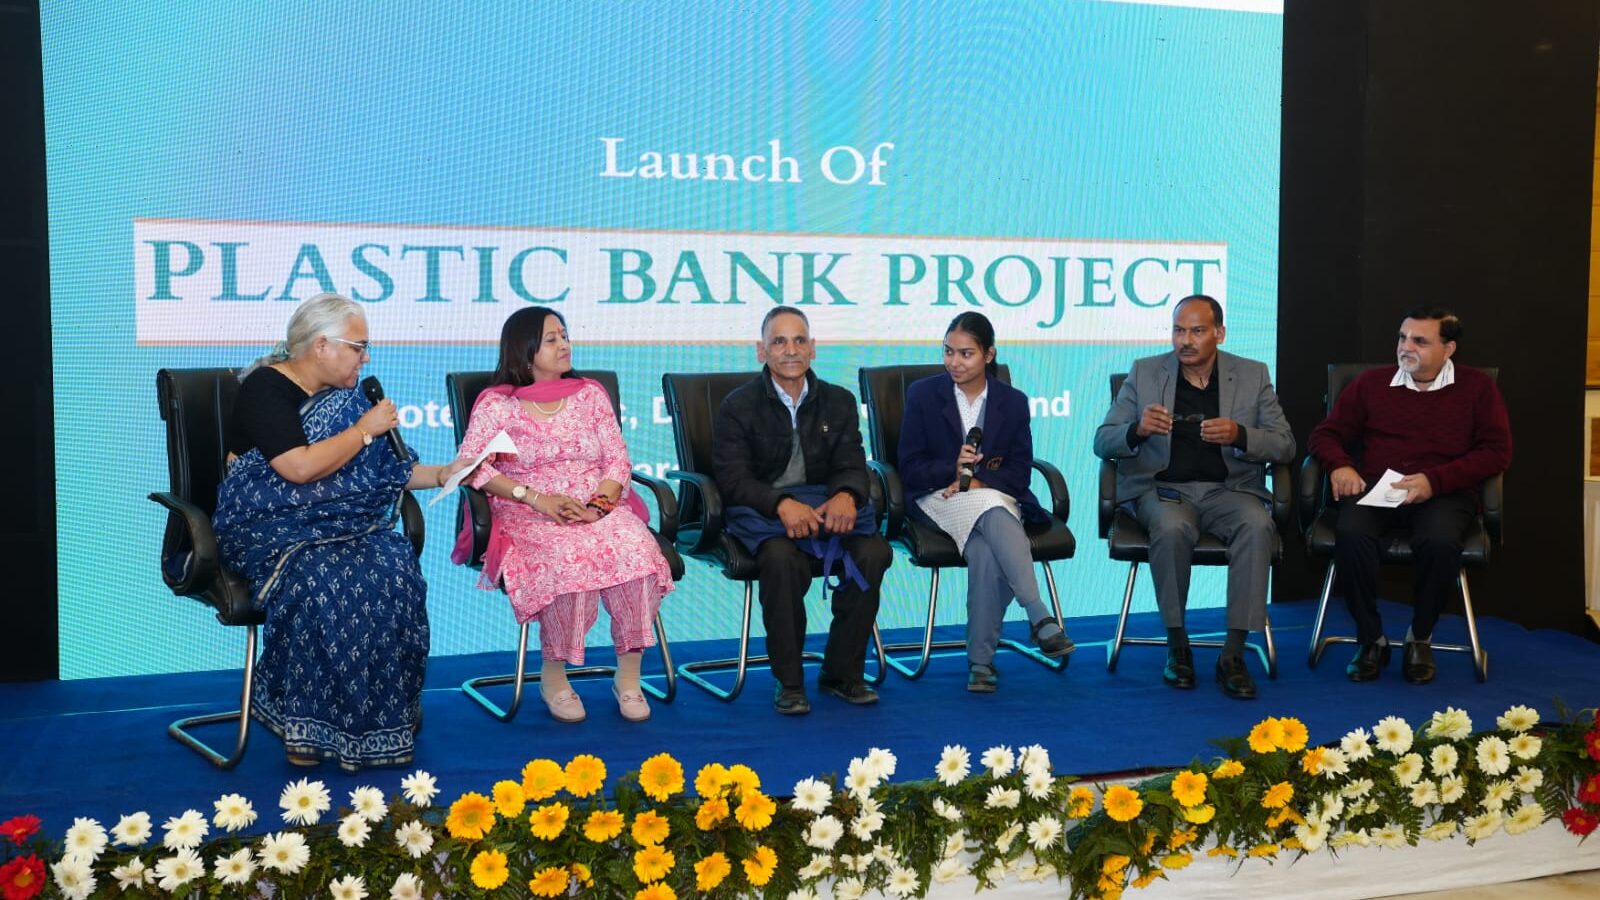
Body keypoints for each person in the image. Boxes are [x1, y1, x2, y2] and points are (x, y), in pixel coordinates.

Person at [213, 292, 463, 771]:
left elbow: (389, 472)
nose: (365, 358)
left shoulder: (349, 399)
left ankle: (382, 717)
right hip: (271, 529)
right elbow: (299, 469)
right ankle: (307, 728)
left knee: (394, 567)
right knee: (323, 580)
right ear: (321, 346)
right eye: (358, 346)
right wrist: (365, 430)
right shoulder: (266, 387)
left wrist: (444, 472)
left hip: (341, 528)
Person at [453, 307, 674, 723]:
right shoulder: (499, 405)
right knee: (567, 564)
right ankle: (553, 678)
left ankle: (629, 678)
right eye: (551, 339)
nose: (564, 345)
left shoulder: (590, 395)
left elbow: (617, 462)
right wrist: (537, 499)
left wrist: (596, 508)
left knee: (639, 557)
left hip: (596, 508)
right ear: (525, 350)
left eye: (565, 335)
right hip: (529, 511)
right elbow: (471, 468)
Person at [1093, 294, 1295, 700]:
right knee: (1171, 528)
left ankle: (1233, 653)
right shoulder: (1145, 372)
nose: (1185, 340)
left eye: (1197, 331)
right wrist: (1137, 430)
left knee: (1257, 525)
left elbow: (1285, 445)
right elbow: (1102, 441)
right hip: (1164, 490)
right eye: (1178, 330)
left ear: (1220, 333)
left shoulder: (1252, 374)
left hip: (1230, 490)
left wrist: (1241, 435)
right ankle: (1177, 644)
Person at [1307, 306, 1511, 684]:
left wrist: (1434, 481)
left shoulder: (1477, 389)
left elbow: (1496, 452)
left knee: (1439, 541)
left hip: (1444, 491)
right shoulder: (1371, 384)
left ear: (1448, 348)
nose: (1406, 347)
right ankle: (1371, 639)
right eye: (1402, 338)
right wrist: (1340, 465)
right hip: (1377, 487)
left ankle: (1420, 637)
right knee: (1351, 533)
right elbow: (1325, 435)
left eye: (1420, 341)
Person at [712, 306, 892, 715]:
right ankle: (790, 682)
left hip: (824, 509)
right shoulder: (738, 406)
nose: (790, 350)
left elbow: (852, 463)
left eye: (798, 341)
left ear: (813, 348)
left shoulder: (839, 401)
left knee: (873, 552)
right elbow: (733, 479)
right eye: (779, 341)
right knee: (781, 560)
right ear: (761, 351)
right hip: (765, 516)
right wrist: (780, 503)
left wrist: (847, 494)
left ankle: (842, 673)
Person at [896, 312, 1075, 692]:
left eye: (966, 354)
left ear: (988, 355)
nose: (954, 362)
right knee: (992, 509)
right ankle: (1038, 614)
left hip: (992, 495)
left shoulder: (1013, 402)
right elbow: (909, 468)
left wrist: (978, 481)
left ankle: (980, 663)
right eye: (948, 351)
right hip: (937, 496)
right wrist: (951, 469)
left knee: (985, 550)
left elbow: (1020, 473)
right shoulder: (923, 395)